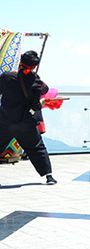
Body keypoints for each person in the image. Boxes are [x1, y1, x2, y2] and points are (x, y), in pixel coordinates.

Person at [0, 50, 57, 185]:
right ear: (35, 66)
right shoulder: (36, 82)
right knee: (36, 147)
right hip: (25, 122)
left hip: (5, 120)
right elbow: (36, 105)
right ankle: (49, 176)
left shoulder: (6, 77)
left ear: (20, 62)